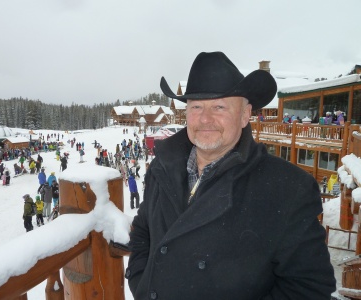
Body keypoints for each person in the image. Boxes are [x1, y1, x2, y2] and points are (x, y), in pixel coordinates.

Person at [126, 51, 336, 299]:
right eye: (196, 106)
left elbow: (308, 288)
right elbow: (143, 231)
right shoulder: (162, 167)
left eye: (219, 106)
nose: (205, 118)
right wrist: (141, 282)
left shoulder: (287, 188)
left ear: (245, 114)